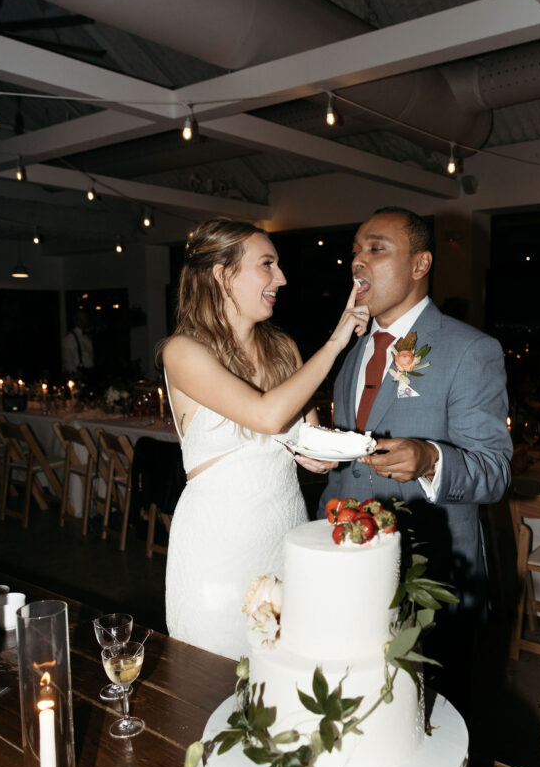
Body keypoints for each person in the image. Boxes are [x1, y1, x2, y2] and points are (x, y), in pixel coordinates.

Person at [316, 207, 512, 718]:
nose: (359, 262)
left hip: (430, 570)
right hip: (346, 562)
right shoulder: (351, 350)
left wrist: (430, 459)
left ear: (421, 263)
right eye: (355, 251)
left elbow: (494, 471)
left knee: (430, 720)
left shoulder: (471, 350)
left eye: (376, 249)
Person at [159, 218, 369, 658]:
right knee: (212, 679)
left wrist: (317, 453)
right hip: (217, 546)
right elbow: (267, 416)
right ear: (223, 275)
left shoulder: (283, 350)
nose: (282, 278)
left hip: (284, 531)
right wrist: (335, 341)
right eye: (267, 265)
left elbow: (304, 433)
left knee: (285, 671)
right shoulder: (182, 352)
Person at [62, 309, 95, 379]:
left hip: (90, 372)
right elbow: (68, 358)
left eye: (85, 318)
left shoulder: (87, 336)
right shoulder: (70, 337)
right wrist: (74, 375)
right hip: (79, 373)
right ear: (76, 320)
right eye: (80, 319)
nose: (83, 321)